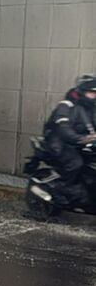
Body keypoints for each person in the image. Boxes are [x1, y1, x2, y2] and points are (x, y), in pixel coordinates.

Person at [41, 74, 96, 204]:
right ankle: (59, 189)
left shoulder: (90, 108)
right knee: (76, 163)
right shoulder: (66, 106)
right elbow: (63, 129)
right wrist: (81, 139)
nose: (94, 96)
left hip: (79, 143)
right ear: (82, 92)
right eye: (91, 93)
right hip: (59, 143)